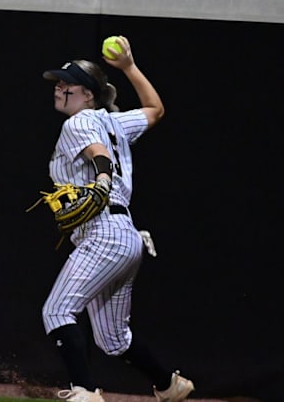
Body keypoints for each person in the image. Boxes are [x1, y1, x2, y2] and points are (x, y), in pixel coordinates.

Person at [39, 36, 196, 402]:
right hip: (127, 237)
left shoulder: (77, 124)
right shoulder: (114, 123)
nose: (59, 87)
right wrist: (129, 68)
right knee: (113, 339)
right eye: (59, 82)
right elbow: (155, 109)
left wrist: (103, 178)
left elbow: (96, 155)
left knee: (57, 310)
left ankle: (85, 392)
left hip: (103, 232)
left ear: (89, 94)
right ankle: (169, 385)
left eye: (68, 83)